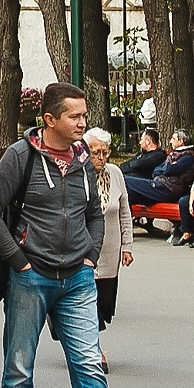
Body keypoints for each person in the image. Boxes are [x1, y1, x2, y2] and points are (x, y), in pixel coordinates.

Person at [0, 83, 145, 388]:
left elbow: (93, 212)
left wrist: (89, 256)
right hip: (31, 277)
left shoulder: (83, 158)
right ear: (50, 119)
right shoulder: (20, 157)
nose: (82, 123)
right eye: (74, 116)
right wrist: (18, 261)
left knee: (89, 364)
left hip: (76, 280)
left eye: (84, 116)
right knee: (19, 369)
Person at [84, 128, 135, 372]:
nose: (101, 157)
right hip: (84, 250)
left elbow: (124, 211)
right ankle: (95, 349)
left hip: (110, 250)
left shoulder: (115, 173)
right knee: (88, 301)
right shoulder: (79, 174)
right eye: (95, 152)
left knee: (104, 303)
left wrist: (127, 246)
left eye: (105, 152)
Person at [124, 129, 194, 211]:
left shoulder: (188, 157)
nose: (170, 141)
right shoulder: (174, 154)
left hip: (167, 189)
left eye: (173, 139)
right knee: (128, 193)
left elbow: (168, 169)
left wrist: (164, 169)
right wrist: (164, 169)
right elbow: (157, 170)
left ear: (181, 142)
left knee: (124, 180)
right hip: (159, 186)